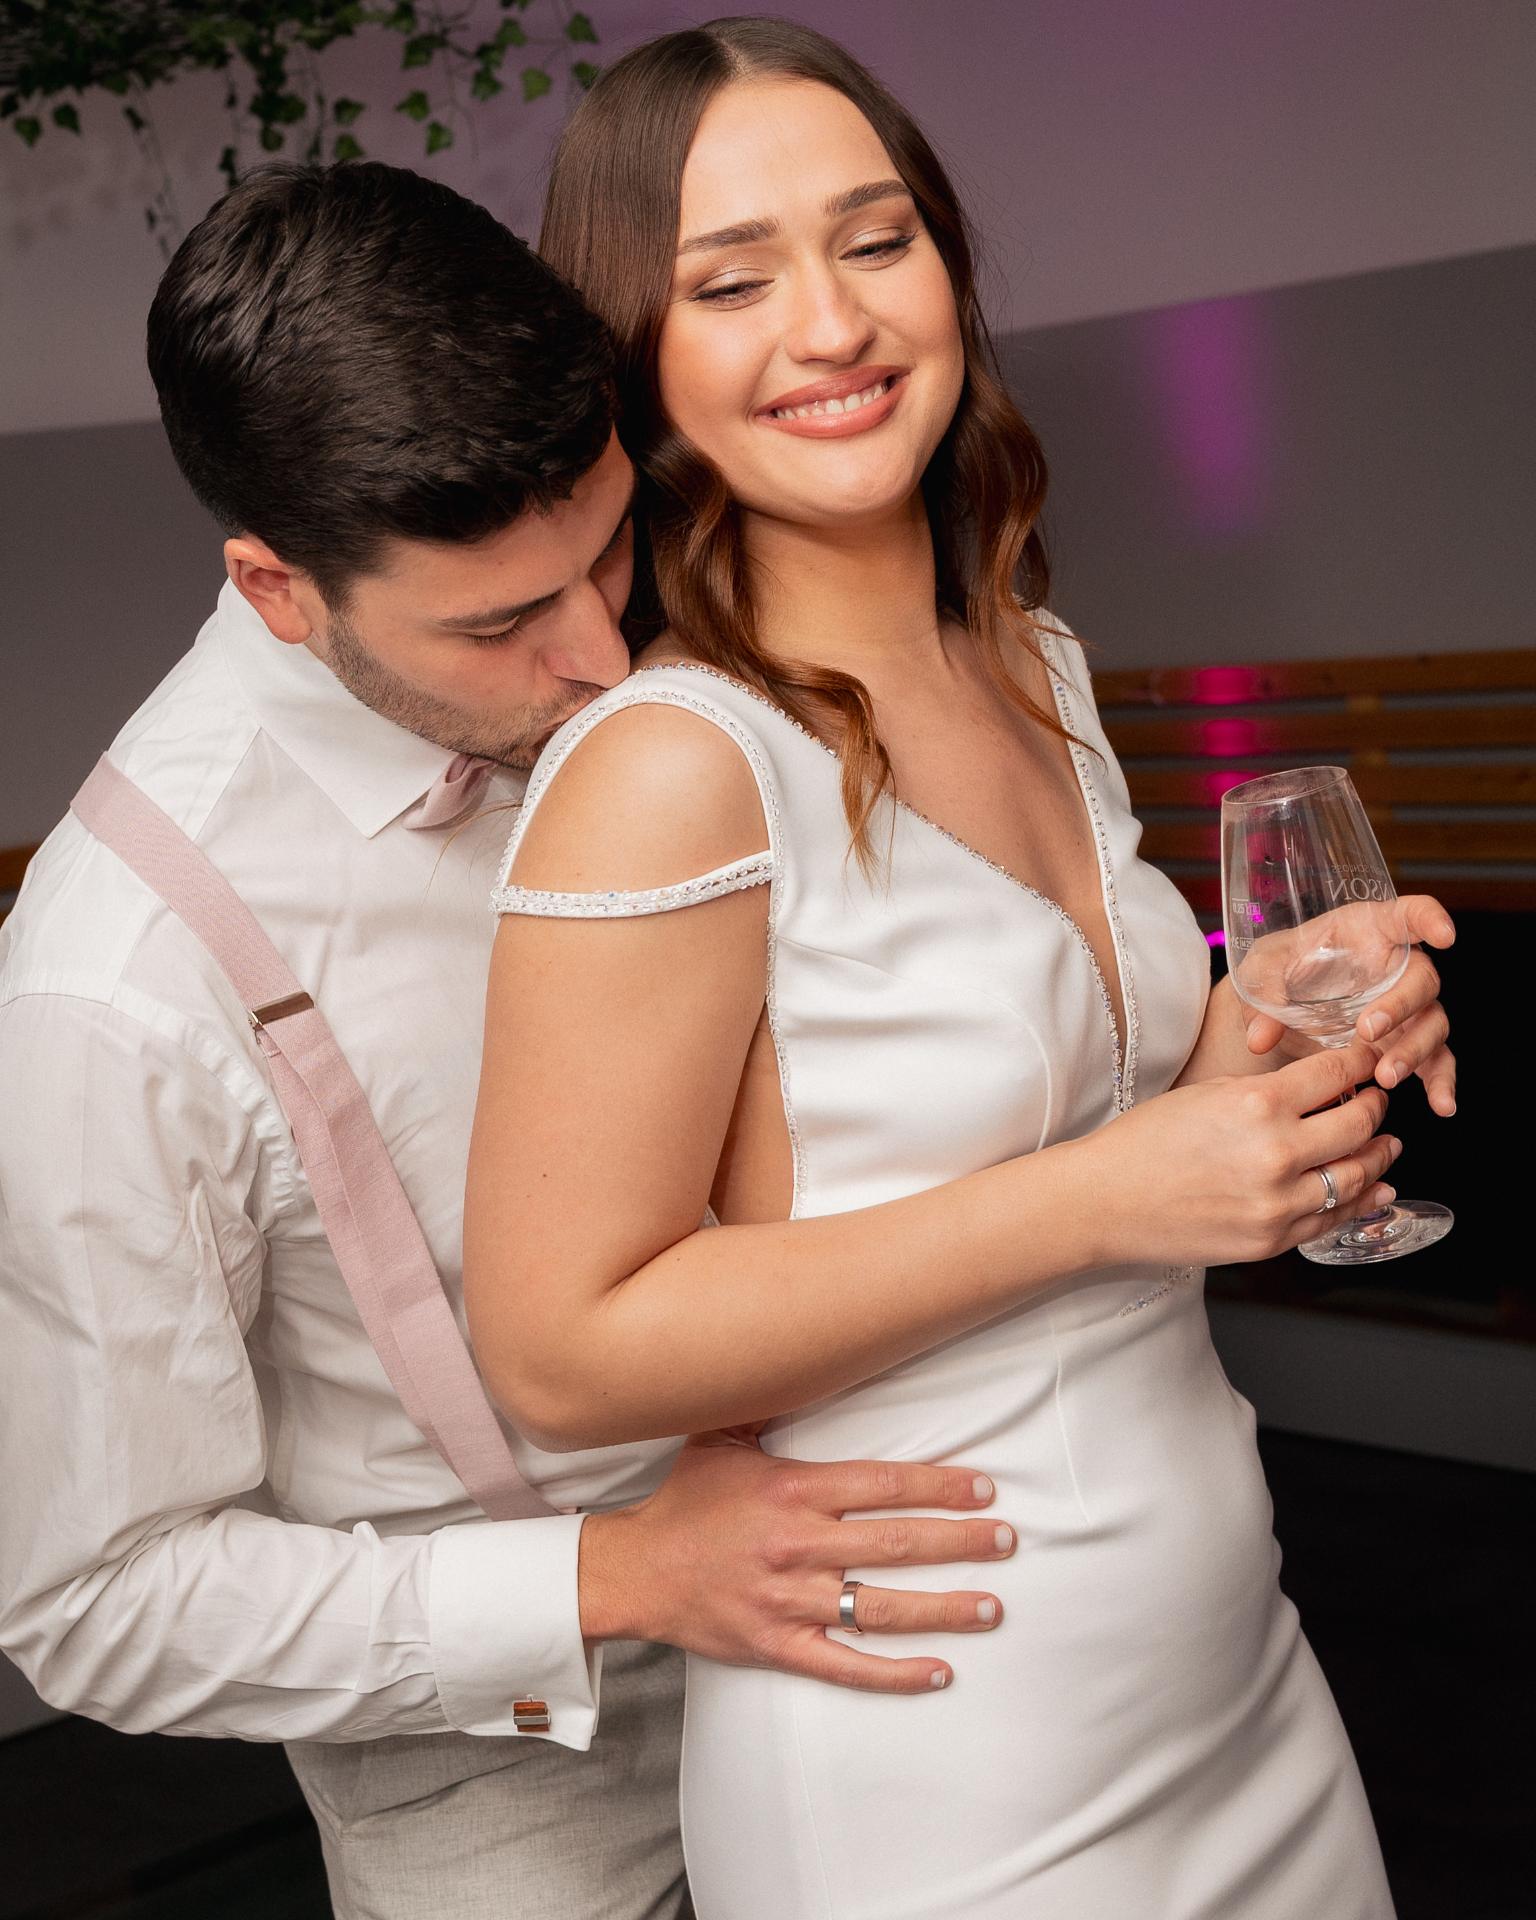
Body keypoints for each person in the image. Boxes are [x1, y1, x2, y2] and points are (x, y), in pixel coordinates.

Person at [464, 20, 1459, 1918]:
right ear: (637, 354)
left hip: (1233, 1669)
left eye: (876, 239)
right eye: (731, 280)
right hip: (941, 1734)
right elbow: (557, 1346)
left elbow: (1091, 1134)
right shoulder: (673, 763)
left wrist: (1244, 1052)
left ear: (950, 272)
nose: (828, 325)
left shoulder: (1030, 659)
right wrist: (1104, 1195)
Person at [0, 162, 1028, 1920]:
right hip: (507, 1764)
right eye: (495, 624)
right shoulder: (116, 987)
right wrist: (616, 1576)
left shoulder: (652, 644)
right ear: (274, 589)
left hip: (877, 1566)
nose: (599, 660)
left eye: (608, 549)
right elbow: (96, 1601)